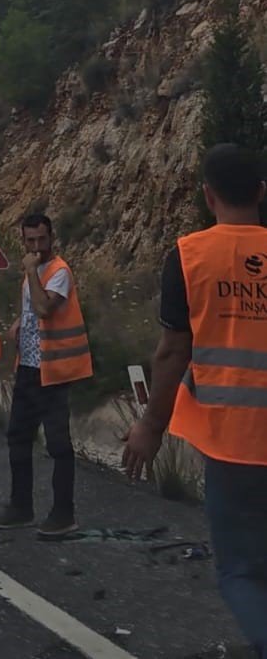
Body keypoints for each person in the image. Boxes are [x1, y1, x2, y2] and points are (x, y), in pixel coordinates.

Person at [124, 143, 267, 658]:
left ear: (208, 196)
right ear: (261, 193)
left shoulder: (188, 256)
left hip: (231, 445)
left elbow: (171, 352)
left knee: (241, 573)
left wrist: (150, 426)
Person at [0, 210, 92, 537]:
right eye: (30, 240)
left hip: (55, 371)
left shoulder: (58, 271)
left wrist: (32, 273)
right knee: (18, 436)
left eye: (42, 239)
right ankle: (20, 507)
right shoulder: (34, 272)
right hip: (29, 367)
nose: (36, 246)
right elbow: (33, 309)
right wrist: (21, 323)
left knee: (58, 445)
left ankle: (64, 514)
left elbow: (46, 307)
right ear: (23, 240)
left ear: (52, 238)